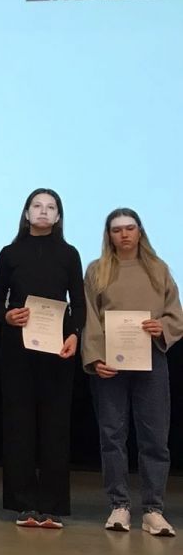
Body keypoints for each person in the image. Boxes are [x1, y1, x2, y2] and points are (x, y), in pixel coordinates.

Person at [81, 208, 183, 536]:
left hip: (151, 361)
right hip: (111, 364)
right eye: (117, 230)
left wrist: (161, 326)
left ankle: (153, 509)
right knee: (112, 435)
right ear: (108, 235)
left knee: (155, 437)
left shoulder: (158, 269)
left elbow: (175, 314)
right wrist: (95, 359)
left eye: (129, 228)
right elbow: (90, 318)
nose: (124, 234)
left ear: (140, 232)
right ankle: (119, 505)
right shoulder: (97, 270)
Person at [0, 189, 85, 529]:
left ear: (58, 216)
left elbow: (78, 301)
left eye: (50, 207)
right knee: (19, 425)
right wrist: (7, 315)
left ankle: (52, 506)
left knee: (55, 426)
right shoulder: (10, 253)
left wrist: (75, 334)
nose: (43, 211)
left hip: (58, 348)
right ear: (27, 213)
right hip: (17, 348)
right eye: (37, 206)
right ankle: (23, 505)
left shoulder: (69, 254)